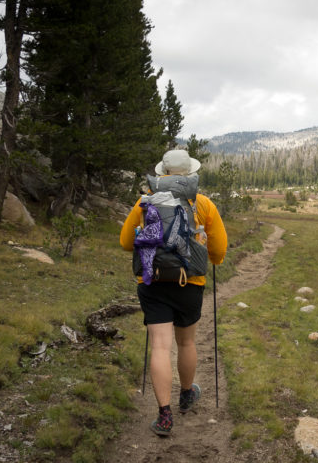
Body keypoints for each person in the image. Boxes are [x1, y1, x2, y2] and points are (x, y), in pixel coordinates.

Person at [119, 149, 227, 437]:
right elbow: (218, 253)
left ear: (162, 174)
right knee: (187, 343)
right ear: (190, 174)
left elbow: (126, 243)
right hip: (189, 283)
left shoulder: (144, 201)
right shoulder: (203, 204)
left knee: (160, 347)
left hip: (152, 282)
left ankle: (164, 416)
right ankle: (186, 395)